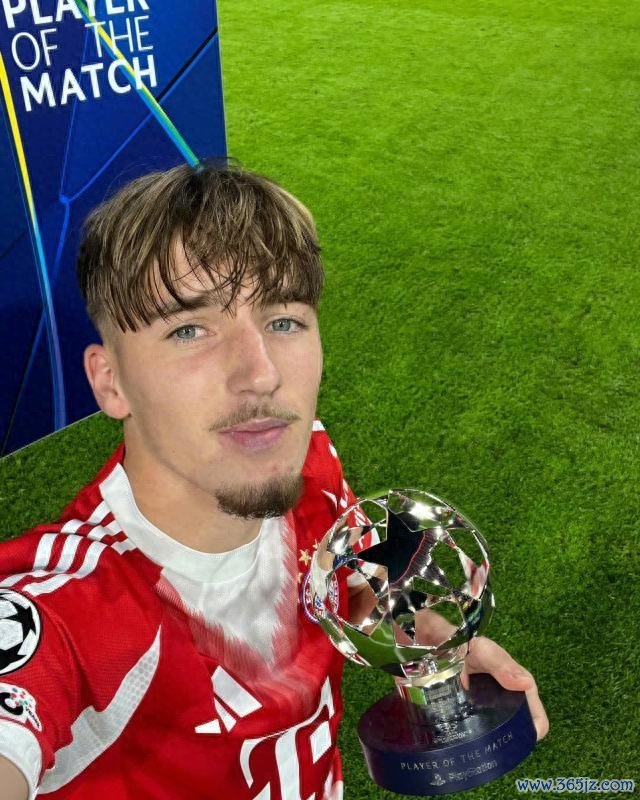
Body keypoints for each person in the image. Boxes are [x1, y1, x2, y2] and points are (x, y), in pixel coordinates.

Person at [0, 163, 548, 799]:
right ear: (109, 382)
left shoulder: (309, 462)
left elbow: (348, 580)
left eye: (283, 320)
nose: (261, 374)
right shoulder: (62, 612)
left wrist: (415, 634)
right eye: (189, 330)